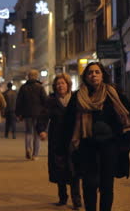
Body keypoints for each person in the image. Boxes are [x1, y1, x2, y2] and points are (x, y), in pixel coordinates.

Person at [63, 62, 130, 211]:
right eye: (90, 73)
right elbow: (68, 123)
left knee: (106, 185)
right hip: (86, 146)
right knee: (89, 184)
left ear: (103, 75)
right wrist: (65, 147)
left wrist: (124, 143)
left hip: (109, 146)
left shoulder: (113, 93)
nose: (94, 75)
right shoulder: (78, 96)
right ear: (85, 76)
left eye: (97, 72)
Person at [37, 73, 81, 209]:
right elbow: (43, 116)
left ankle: (76, 199)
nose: (60, 86)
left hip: (73, 139)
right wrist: (42, 130)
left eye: (63, 83)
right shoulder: (51, 100)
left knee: (74, 169)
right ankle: (62, 197)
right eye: (58, 84)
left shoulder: (75, 99)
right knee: (59, 168)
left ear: (68, 85)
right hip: (57, 139)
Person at [15, 69, 48, 160]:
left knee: (28, 132)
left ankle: (28, 148)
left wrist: (18, 114)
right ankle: (35, 155)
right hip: (38, 114)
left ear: (28, 76)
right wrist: (45, 112)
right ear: (37, 76)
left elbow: (19, 101)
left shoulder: (23, 87)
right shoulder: (40, 87)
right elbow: (45, 101)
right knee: (37, 134)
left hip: (27, 114)